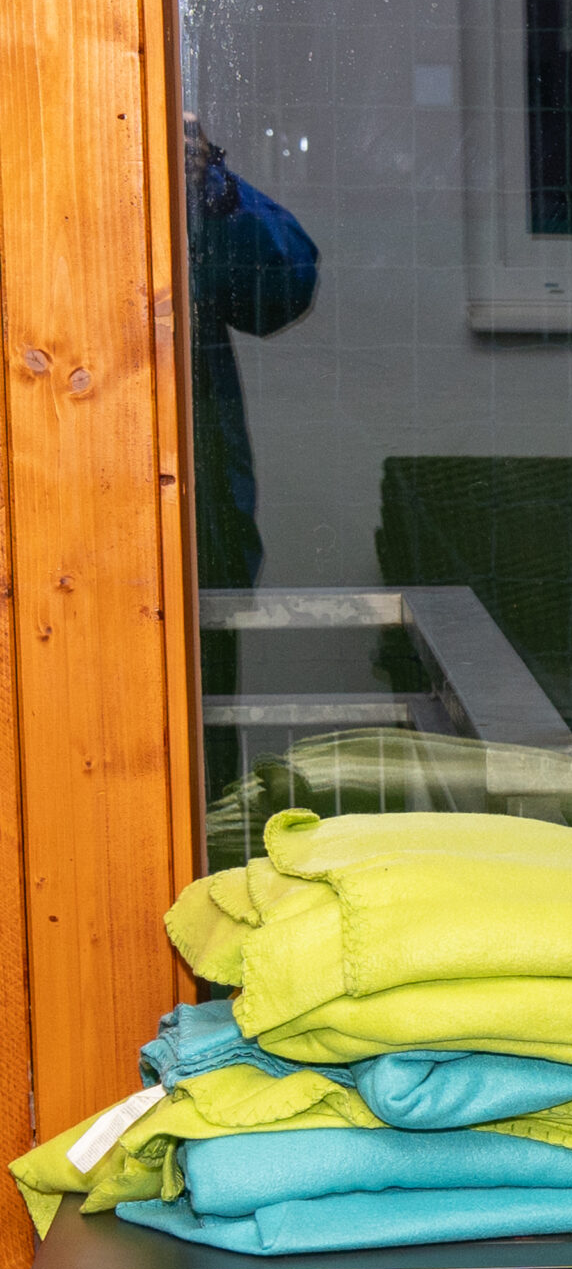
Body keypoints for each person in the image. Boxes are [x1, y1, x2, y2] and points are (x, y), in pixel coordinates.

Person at [187, 111, 319, 785]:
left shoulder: (185, 193)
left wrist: (211, 185)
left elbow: (283, 288)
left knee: (198, 761)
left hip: (193, 514)